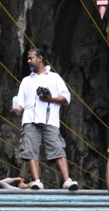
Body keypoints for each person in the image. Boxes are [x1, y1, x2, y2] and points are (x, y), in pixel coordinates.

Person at [9, 48, 78, 191]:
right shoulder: (26, 81)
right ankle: (37, 181)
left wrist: (50, 98)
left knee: (57, 148)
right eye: (28, 58)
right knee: (30, 150)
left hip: (50, 120)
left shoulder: (54, 77)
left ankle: (67, 180)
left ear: (40, 58)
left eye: (31, 58)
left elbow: (67, 98)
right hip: (30, 120)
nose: (28, 61)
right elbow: (21, 103)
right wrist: (17, 110)